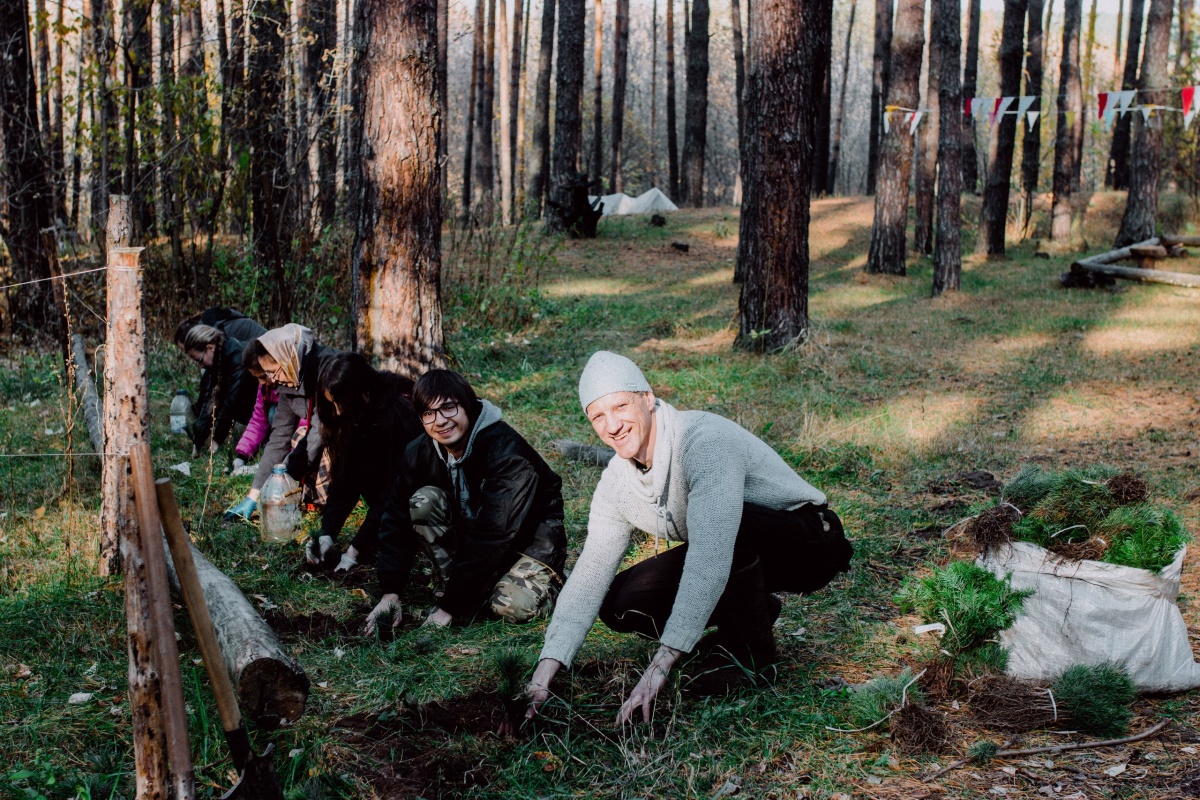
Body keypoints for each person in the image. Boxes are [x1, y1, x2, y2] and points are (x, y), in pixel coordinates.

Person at [526, 351, 853, 724]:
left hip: (808, 542)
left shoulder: (702, 442)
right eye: (598, 416)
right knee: (619, 601)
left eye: (620, 406)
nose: (612, 425)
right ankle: (751, 611)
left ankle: (754, 656)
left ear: (647, 399)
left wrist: (657, 671)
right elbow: (590, 574)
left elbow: (710, 557)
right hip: (735, 550)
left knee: (728, 529)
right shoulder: (616, 482)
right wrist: (544, 672)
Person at [364, 369, 568, 633]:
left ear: (468, 405)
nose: (440, 421)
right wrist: (390, 592)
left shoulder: (508, 455)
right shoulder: (419, 451)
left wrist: (448, 608)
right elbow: (395, 516)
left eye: (448, 408)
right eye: (428, 413)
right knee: (421, 501)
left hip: (527, 546)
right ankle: (467, 589)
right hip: (473, 536)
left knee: (511, 608)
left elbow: (493, 535)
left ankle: (555, 584)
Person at [224, 324, 341, 540]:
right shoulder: (288, 378)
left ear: (287, 357)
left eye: (270, 372)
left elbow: (319, 433)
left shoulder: (325, 369)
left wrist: (283, 475)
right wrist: (255, 493)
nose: (271, 380)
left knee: (307, 441)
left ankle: (328, 505)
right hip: (319, 434)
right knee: (296, 439)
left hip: (349, 437)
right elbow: (279, 436)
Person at [315, 352, 424, 571]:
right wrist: (327, 533)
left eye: (340, 402)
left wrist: (356, 549)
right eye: (332, 403)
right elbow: (346, 476)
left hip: (418, 499)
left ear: (363, 393)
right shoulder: (355, 415)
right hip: (386, 495)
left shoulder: (400, 412)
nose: (337, 411)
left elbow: (395, 489)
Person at [179, 325, 260, 456]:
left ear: (210, 348)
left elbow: (231, 402)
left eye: (198, 360)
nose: (200, 365)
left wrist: (216, 440)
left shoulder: (236, 356)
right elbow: (210, 401)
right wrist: (198, 441)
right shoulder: (219, 358)